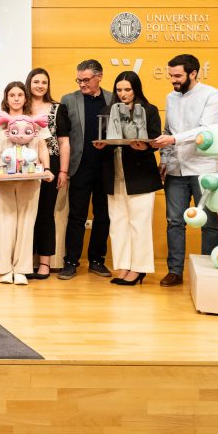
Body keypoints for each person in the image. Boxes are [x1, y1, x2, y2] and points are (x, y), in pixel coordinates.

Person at [151, 54, 218, 287]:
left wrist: (174, 139)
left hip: (204, 168)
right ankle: (175, 271)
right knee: (174, 222)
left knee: (209, 222)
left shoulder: (212, 95)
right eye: (170, 75)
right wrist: (164, 159)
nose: (173, 80)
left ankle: (207, 272)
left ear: (193, 73)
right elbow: (167, 130)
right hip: (175, 169)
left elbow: (206, 131)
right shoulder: (170, 97)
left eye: (177, 75)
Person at [93, 71, 162, 286]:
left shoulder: (149, 110)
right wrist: (101, 145)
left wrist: (144, 147)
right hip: (114, 174)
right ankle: (123, 265)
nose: (123, 94)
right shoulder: (108, 111)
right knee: (118, 223)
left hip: (140, 176)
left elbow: (155, 140)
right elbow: (103, 139)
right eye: (119, 90)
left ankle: (139, 268)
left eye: (127, 89)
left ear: (136, 89)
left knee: (139, 224)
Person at [0, 82, 53, 285]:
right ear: (6, 98)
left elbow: (42, 147)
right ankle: (5, 269)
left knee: (26, 222)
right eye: (12, 95)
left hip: (29, 179)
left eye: (20, 95)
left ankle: (22, 269)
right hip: (3, 179)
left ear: (25, 98)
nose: (16, 98)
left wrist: (47, 168)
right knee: (4, 223)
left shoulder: (34, 121)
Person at [55, 59, 114, 280]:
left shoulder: (113, 99)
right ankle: (70, 262)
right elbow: (64, 137)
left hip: (106, 167)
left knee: (103, 216)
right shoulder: (68, 100)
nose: (82, 84)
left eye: (86, 80)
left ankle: (97, 260)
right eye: (79, 80)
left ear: (99, 77)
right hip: (80, 166)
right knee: (76, 216)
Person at [26, 67, 61, 279]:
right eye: (36, 81)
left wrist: (63, 170)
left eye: (44, 82)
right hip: (24, 163)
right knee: (27, 213)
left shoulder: (57, 108)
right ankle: (25, 262)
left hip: (51, 164)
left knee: (46, 213)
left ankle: (44, 263)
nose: (40, 86)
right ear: (29, 83)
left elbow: (64, 141)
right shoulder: (21, 105)